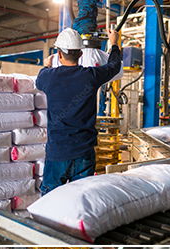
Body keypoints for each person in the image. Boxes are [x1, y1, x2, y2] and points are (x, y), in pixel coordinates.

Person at [36, 27, 122, 195]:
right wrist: (114, 44)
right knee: (81, 199)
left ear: (59, 54)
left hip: (58, 153)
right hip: (84, 153)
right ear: (81, 55)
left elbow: (40, 78)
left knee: (50, 199)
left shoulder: (48, 77)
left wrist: (46, 65)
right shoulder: (91, 76)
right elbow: (114, 66)